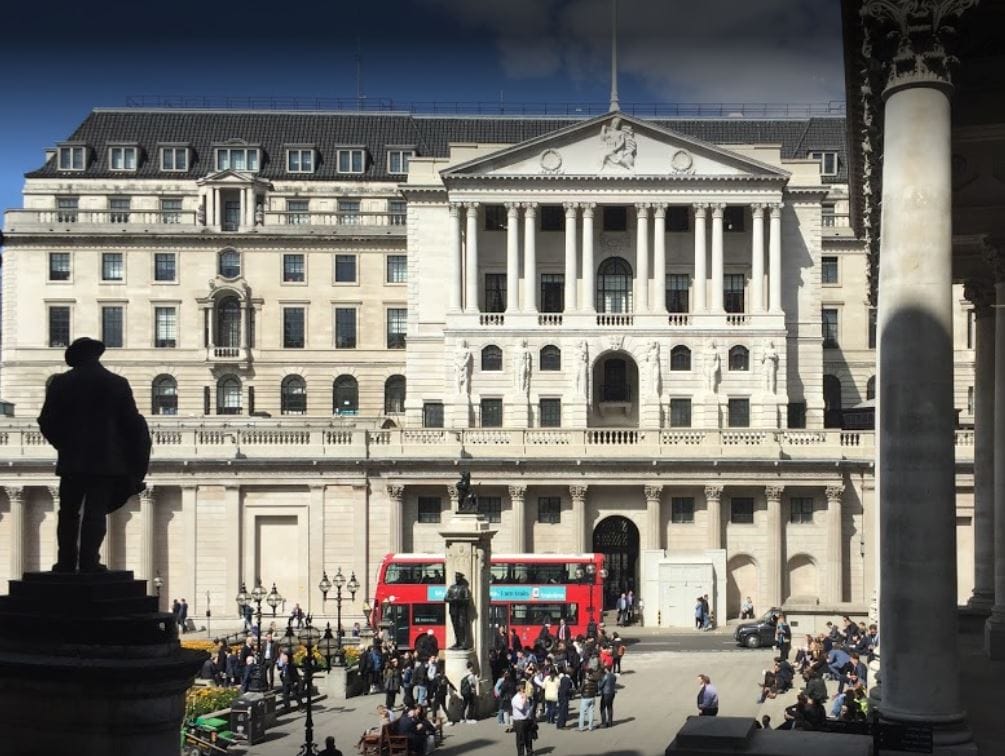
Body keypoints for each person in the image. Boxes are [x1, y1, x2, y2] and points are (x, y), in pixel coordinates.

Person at [38, 336, 151, 572]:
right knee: (95, 513)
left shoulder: (61, 382)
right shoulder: (116, 383)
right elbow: (132, 424)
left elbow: (46, 420)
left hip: (73, 459)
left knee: (67, 513)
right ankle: (89, 562)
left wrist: (64, 444)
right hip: (105, 460)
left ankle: (66, 562)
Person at [511, 682, 534, 756]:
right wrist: (524, 698)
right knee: (520, 740)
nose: (526, 690)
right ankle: (521, 754)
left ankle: (530, 753)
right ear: (521, 689)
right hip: (519, 722)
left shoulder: (524, 696)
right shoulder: (515, 698)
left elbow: (528, 708)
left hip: (527, 720)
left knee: (529, 738)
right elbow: (521, 707)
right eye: (524, 688)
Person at [578, 664, 600, 731]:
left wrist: (579, 691)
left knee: (582, 713)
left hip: (585, 697)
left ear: (587, 673)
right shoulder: (595, 680)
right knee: (591, 712)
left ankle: (581, 728)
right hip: (592, 697)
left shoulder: (585, 680)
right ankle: (590, 727)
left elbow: (581, 689)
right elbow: (596, 690)